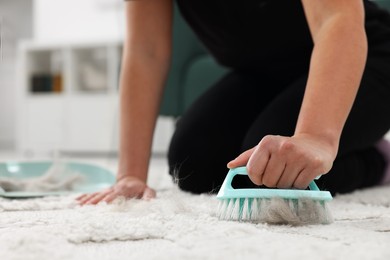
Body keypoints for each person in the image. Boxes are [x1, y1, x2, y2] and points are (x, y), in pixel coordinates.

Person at [78, 0, 390, 205]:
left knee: (268, 171)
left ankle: (376, 162)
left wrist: (315, 138)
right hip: (266, 73)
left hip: (370, 55)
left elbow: (336, 19)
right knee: (193, 163)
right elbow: (146, 50)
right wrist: (130, 175)